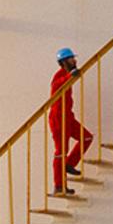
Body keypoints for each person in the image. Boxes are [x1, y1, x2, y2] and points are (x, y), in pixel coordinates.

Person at [45, 45, 95, 192]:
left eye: (74, 58)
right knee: (60, 151)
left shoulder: (68, 73)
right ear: (64, 62)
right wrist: (69, 76)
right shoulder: (60, 75)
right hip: (58, 119)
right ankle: (59, 185)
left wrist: (72, 75)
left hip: (68, 117)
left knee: (86, 138)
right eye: (71, 59)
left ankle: (69, 164)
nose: (74, 61)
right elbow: (55, 86)